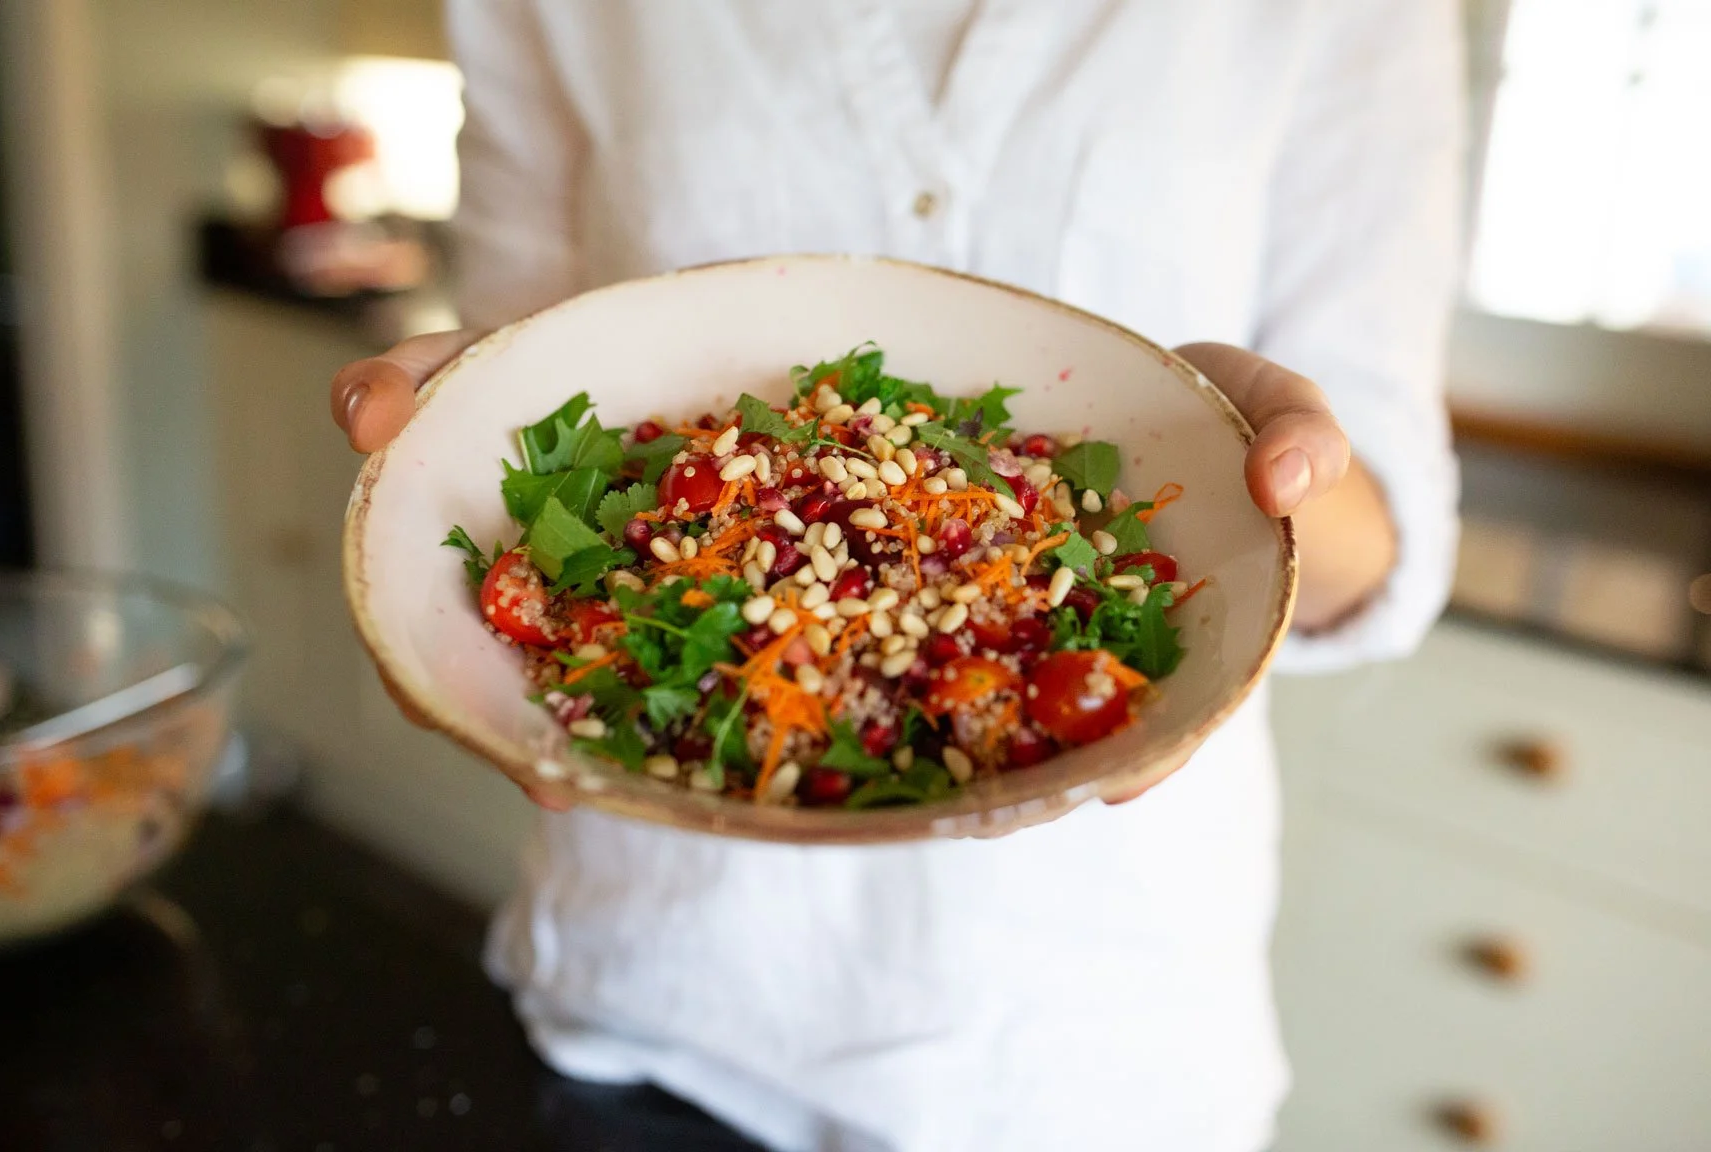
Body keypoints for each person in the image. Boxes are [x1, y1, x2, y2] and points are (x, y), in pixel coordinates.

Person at [329, 3, 1462, 1148]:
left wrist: (1246, 462)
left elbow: (1384, 549)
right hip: (665, 1009)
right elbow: (528, 387)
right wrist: (459, 463)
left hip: (1089, 1051)